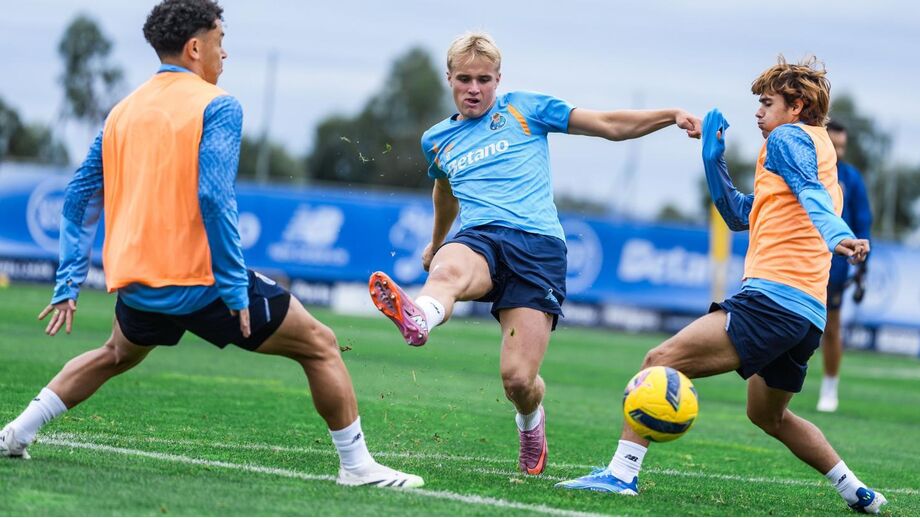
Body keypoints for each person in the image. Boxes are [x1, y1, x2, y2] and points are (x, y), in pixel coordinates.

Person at [0, 0, 423, 489]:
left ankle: (16, 432)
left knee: (116, 353)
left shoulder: (121, 112)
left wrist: (69, 282)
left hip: (140, 287)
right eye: (221, 41)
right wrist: (233, 287)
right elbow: (214, 196)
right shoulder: (218, 105)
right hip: (203, 283)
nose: (225, 54)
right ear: (195, 47)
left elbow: (77, 197)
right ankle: (356, 467)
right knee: (321, 345)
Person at [556, 56, 887, 514]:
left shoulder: (789, 138)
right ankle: (856, 490)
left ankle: (621, 474)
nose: (758, 111)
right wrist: (713, 159)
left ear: (797, 107)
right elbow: (738, 214)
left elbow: (809, 193)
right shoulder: (816, 151)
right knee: (767, 415)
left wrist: (837, 235)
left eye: (767, 103)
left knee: (659, 361)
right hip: (806, 314)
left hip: (774, 299)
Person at [367, 31, 702, 476]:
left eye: (484, 79)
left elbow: (608, 125)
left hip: (538, 248)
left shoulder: (525, 109)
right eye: (464, 79)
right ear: (449, 78)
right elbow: (443, 190)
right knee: (447, 269)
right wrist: (436, 241)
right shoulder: (437, 139)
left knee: (518, 380)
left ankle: (530, 422)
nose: (474, 89)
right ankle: (420, 317)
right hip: (480, 238)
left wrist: (670, 114)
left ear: (498, 79)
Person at [817, 120, 872, 413]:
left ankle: (829, 388)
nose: (838, 152)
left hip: (836, 265)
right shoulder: (809, 170)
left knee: (832, 328)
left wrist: (863, 267)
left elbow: (862, 220)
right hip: (803, 259)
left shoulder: (851, 178)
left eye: (842, 147)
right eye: (833, 145)